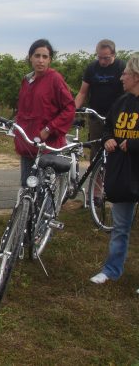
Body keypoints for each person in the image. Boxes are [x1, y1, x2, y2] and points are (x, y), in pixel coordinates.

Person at [89, 54, 139, 288]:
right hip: (123, 176)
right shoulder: (121, 103)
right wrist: (108, 138)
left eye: (125, 74)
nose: (121, 77)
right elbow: (109, 126)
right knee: (120, 226)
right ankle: (112, 269)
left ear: (136, 77)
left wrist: (134, 144)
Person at [15, 39, 75, 185]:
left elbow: (69, 108)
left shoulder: (55, 79)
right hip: (28, 143)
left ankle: (48, 208)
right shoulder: (27, 80)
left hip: (48, 145)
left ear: (50, 60)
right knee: (26, 186)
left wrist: (50, 128)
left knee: (43, 189)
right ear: (30, 57)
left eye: (45, 57)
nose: (40, 60)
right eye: (37, 56)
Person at [74, 39, 126, 158]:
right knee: (96, 150)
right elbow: (82, 93)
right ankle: (95, 176)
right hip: (96, 117)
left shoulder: (121, 66)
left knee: (117, 149)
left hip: (117, 117)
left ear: (114, 54)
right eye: (99, 57)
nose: (102, 61)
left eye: (106, 58)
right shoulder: (92, 68)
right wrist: (72, 110)